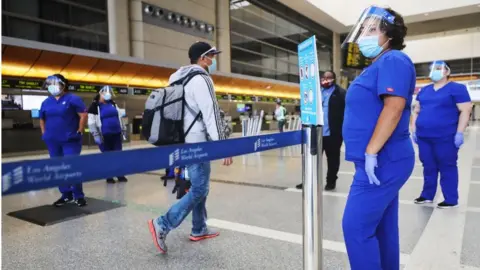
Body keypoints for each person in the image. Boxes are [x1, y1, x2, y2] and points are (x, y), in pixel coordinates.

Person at [340, 6, 415, 269]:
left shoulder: (394, 60)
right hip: (379, 159)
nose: (364, 35)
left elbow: (393, 108)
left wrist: (371, 151)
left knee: (355, 227)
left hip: (383, 158)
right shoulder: (378, 64)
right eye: (363, 29)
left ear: (390, 34)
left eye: (372, 29)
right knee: (382, 228)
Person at [148, 41, 233, 253]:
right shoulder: (202, 79)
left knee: (198, 184)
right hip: (197, 142)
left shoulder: (177, 77)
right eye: (211, 56)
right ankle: (163, 223)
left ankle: (199, 228)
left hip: (180, 140)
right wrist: (223, 146)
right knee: (200, 187)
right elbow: (211, 113)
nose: (213, 60)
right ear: (203, 58)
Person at [411, 61, 472, 208]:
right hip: (424, 136)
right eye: (432, 68)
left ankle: (450, 198)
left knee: (447, 165)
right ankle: (427, 195)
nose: (434, 71)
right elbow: (416, 111)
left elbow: (465, 110)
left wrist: (459, 132)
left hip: (446, 136)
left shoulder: (457, 89)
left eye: (438, 68)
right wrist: (413, 130)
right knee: (428, 166)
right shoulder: (424, 90)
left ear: (447, 71)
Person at [39, 74, 88, 207]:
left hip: (70, 139)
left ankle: (78, 195)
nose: (52, 87)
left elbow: (83, 114)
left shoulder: (73, 99)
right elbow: (42, 118)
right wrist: (44, 133)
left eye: (54, 83)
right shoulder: (46, 102)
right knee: (58, 168)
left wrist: (79, 130)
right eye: (49, 84)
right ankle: (66, 194)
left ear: (63, 84)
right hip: (53, 140)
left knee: (72, 166)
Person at [296, 70, 346, 191]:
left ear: (334, 79)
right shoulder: (315, 92)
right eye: (323, 78)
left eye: (329, 78)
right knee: (311, 158)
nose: (326, 80)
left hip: (333, 134)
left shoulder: (341, 93)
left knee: (333, 159)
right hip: (315, 133)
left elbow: (347, 113)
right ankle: (307, 181)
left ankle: (331, 181)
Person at [87, 85, 128, 184]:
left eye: (109, 92)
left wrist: (123, 129)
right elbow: (91, 122)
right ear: (100, 93)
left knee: (118, 155)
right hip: (104, 135)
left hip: (116, 133)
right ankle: (109, 176)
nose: (108, 94)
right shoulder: (94, 106)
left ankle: (120, 174)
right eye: (105, 92)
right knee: (107, 156)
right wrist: (95, 135)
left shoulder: (113, 104)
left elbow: (119, 117)